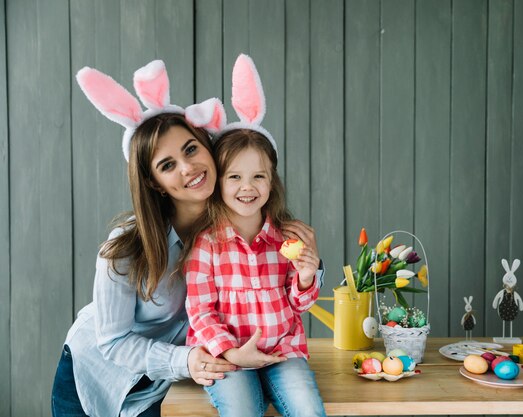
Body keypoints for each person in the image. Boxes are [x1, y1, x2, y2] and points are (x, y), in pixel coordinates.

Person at [51, 60, 324, 417]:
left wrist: (312, 266)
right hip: (99, 376)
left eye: (191, 149)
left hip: (172, 380)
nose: (187, 167)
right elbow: (113, 342)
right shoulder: (124, 249)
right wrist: (190, 358)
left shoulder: (242, 218)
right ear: (154, 183)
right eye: (167, 165)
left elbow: (280, 274)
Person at [184, 54, 326, 417]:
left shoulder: (286, 238)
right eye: (235, 177)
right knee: (242, 410)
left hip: (283, 352)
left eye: (258, 176)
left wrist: (307, 276)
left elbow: (299, 306)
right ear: (219, 182)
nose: (247, 187)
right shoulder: (207, 244)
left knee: (308, 409)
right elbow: (200, 310)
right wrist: (230, 352)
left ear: (271, 181)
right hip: (227, 355)